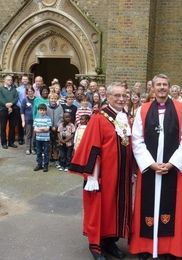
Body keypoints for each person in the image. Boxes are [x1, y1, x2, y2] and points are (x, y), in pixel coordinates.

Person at [129, 74, 182, 259]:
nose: (162, 88)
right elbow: (137, 140)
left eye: (165, 84)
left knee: (171, 208)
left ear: (169, 86)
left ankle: (169, 248)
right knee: (146, 207)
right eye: (159, 85)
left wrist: (172, 163)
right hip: (150, 168)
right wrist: (151, 164)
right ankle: (145, 247)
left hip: (172, 169)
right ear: (153, 88)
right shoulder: (143, 109)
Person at [69, 82, 132, 260]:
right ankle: (96, 246)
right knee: (99, 208)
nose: (121, 99)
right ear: (108, 97)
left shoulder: (126, 117)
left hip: (121, 175)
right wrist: (92, 177)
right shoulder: (99, 117)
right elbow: (92, 147)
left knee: (115, 208)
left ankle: (110, 242)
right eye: (117, 96)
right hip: (102, 175)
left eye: (123, 96)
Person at [0, 75, 19, 149]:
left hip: (13, 109)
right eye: (8, 80)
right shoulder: (1, 89)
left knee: (12, 126)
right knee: (3, 127)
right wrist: (6, 104)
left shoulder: (14, 89)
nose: (10, 81)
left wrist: (11, 104)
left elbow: (16, 97)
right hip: (3, 109)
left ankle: (11, 142)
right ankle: (4, 143)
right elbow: (0, 98)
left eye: (11, 80)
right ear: (4, 80)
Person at [33, 103, 52, 172]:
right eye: (40, 110)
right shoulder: (36, 118)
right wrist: (42, 129)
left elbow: (47, 129)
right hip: (38, 139)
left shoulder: (48, 119)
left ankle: (45, 165)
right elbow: (35, 129)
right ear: (38, 110)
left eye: (43, 110)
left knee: (46, 152)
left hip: (46, 139)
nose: (42, 111)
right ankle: (39, 164)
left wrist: (40, 129)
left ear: (46, 111)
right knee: (38, 152)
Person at [20, 87, 36, 155]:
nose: (30, 92)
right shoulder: (24, 100)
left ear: (33, 91)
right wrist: (23, 121)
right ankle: (27, 148)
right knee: (28, 135)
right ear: (27, 92)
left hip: (35, 120)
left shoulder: (36, 99)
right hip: (27, 120)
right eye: (29, 91)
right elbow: (22, 111)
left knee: (34, 135)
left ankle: (32, 148)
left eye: (31, 91)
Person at [16, 75, 30, 145]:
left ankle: (28, 138)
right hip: (20, 107)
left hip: (29, 108)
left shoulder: (30, 88)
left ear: (28, 80)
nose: (25, 80)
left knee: (28, 123)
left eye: (26, 79)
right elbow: (17, 99)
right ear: (21, 80)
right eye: (23, 79)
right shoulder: (18, 89)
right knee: (20, 123)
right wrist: (21, 106)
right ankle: (20, 138)